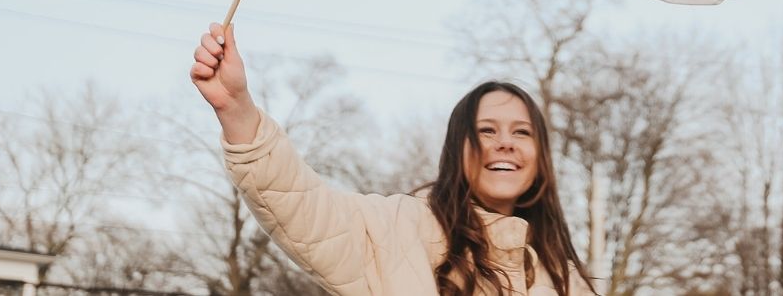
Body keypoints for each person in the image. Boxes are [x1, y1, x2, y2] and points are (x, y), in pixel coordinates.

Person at [190, 22, 597, 296]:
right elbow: (304, 207)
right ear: (459, 149)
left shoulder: (567, 280)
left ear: (541, 158)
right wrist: (238, 109)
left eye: (522, 132)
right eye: (487, 130)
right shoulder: (400, 229)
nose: (505, 143)